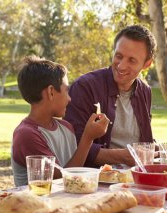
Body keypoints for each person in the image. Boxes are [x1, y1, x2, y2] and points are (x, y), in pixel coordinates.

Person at [64, 25, 156, 167]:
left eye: (132, 60)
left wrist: (165, 151)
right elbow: (73, 146)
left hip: (137, 178)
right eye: (119, 56)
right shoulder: (85, 87)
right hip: (96, 182)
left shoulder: (145, 91)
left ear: (147, 64)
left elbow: (145, 144)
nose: (121, 66)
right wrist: (123, 157)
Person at [12, 56, 109, 186]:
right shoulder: (26, 135)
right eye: (67, 90)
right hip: (38, 204)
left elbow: (77, 171)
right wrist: (88, 138)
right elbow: (61, 181)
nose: (69, 99)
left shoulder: (66, 127)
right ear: (51, 92)